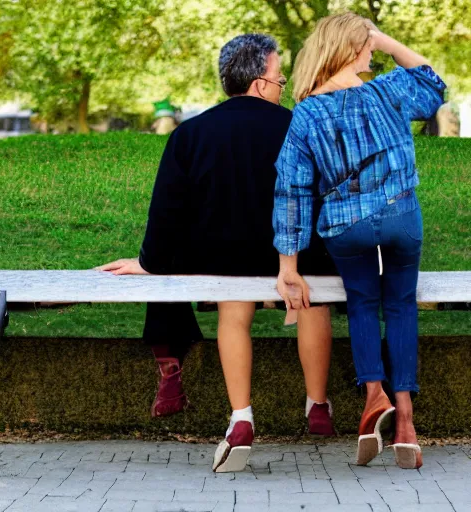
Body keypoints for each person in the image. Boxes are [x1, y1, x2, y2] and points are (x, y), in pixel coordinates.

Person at [97, 33, 338, 473]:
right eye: (280, 78)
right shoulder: (300, 126)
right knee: (313, 301)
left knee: (233, 311)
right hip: (296, 254)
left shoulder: (191, 133)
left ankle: (241, 418)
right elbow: (325, 193)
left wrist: (148, 263)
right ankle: (317, 404)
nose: (282, 85)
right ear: (261, 82)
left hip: (226, 256)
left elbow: (166, 209)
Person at [273, 13, 446, 469]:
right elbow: (433, 85)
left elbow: (292, 189)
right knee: (402, 306)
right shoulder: (388, 91)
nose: (373, 52)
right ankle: (406, 425)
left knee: (363, 305)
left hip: (345, 225)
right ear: (351, 48)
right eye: (367, 45)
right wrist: (389, 42)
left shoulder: (307, 111)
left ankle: (374, 397)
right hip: (400, 216)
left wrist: (287, 266)